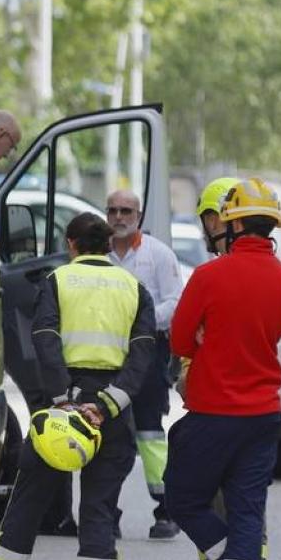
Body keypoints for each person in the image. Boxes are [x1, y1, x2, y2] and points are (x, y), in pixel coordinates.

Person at [0, 212, 158, 560]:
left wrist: (64, 399)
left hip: (64, 407)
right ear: (107, 246)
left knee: (28, 502)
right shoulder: (134, 288)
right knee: (99, 510)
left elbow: (44, 340)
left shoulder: (58, 281)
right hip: (113, 412)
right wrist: (107, 405)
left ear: (71, 244)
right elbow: (143, 355)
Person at [164, 178, 281, 560]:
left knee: (183, 499)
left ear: (233, 224)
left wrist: (203, 341)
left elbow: (180, 341)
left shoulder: (209, 277)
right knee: (245, 512)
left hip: (214, 412)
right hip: (263, 417)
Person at [106, 187, 183, 539]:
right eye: (113, 211)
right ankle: (105, 511)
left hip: (148, 353)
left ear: (139, 216)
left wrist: (143, 321)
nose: (119, 217)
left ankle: (166, 511)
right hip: (107, 355)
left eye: (126, 211)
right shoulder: (100, 256)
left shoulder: (159, 255)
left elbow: (175, 302)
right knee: (107, 434)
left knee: (150, 432)